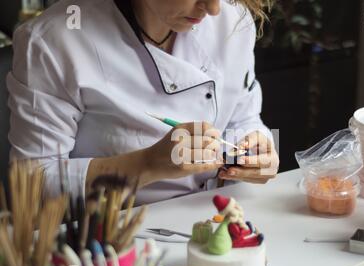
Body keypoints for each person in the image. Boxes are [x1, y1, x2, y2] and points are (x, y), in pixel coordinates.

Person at [7, 0, 279, 205]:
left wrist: (259, 153)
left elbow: (244, 119)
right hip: (115, 237)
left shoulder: (233, 18)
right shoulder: (54, 41)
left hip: (219, 216)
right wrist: (147, 164)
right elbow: (32, 181)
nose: (213, 9)